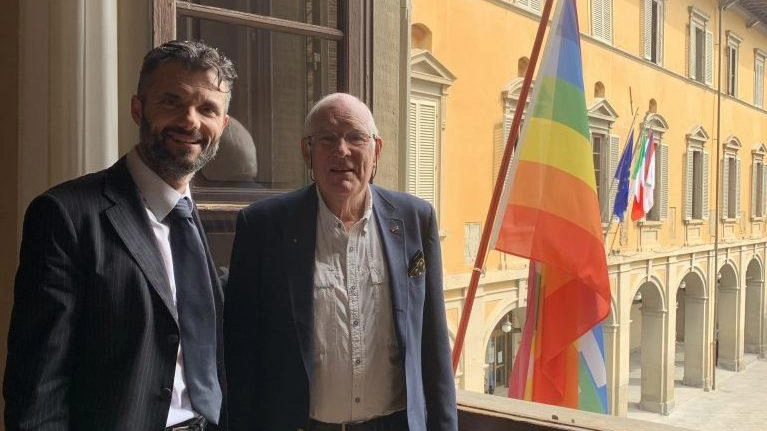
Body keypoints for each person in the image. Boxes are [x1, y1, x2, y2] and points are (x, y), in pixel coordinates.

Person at [4, 40, 236, 431]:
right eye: (171, 102)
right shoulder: (66, 215)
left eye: (207, 109)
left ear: (222, 126)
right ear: (137, 109)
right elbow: (38, 389)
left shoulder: (196, 220)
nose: (190, 121)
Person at [225, 93, 457, 431]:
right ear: (308, 151)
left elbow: (434, 345)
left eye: (355, 137)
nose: (342, 150)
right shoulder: (264, 227)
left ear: (376, 150)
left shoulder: (414, 219)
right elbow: (241, 352)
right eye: (327, 139)